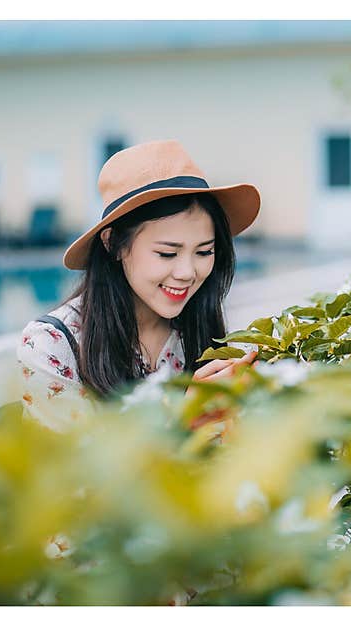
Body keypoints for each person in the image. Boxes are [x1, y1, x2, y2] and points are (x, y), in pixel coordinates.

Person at [16, 139, 261, 432]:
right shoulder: (52, 346)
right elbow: (70, 474)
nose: (186, 272)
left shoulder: (197, 327)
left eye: (204, 252)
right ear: (114, 245)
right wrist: (182, 420)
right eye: (167, 253)